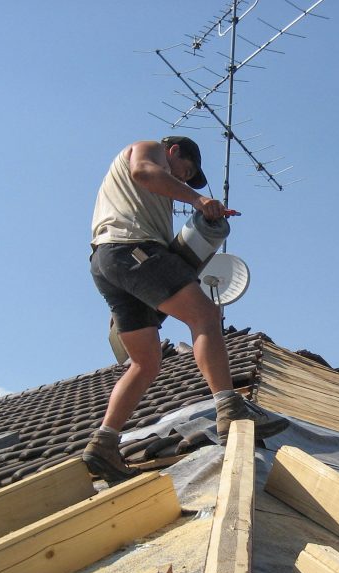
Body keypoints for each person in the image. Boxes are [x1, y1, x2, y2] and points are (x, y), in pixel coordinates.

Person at [82, 136, 288, 483]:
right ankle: (230, 408)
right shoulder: (150, 148)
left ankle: (104, 442)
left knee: (145, 362)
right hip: (132, 248)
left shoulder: (140, 203)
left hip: (108, 262)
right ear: (174, 151)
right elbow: (144, 171)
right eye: (186, 169)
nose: (185, 177)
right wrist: (198, 198)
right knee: (206, 315)